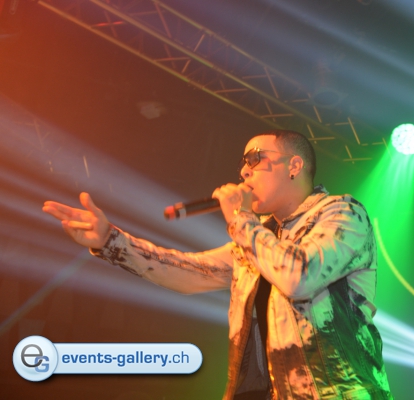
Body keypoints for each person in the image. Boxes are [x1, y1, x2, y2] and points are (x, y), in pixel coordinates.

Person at [43, 130, 392, 399]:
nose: (243, 170)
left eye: (255, 158)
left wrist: (241, 220)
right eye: (243, 162)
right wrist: (110, 241)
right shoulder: (259, 239)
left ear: (294, 166)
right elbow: (187, 271)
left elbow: (299, 277)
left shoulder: (342, 214)